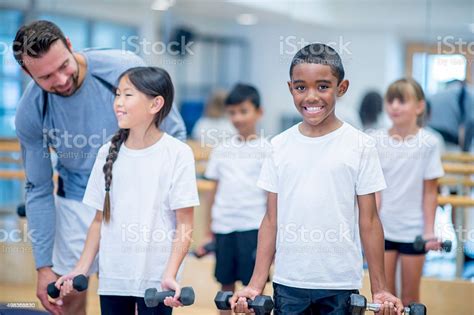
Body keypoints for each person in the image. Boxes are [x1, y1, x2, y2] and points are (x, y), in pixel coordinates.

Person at [13, 20, 186, 314]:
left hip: (135, 202)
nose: (61, 79)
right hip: (75, 203)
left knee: (138, 298)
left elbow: (174, 134)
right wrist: (43, 266)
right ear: (27, 73)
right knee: (69, 296)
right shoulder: (31, 111)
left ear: (69, 44)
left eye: (63, 66)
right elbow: (38, 188)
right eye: (46, 76)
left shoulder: (122, 69)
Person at [231, 43, 404, 314]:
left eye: (323, 86)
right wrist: (256, 283)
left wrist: (379, 288)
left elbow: (369, 221)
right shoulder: (278, 145)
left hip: (340, 283)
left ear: (341, 88)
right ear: (291, 88)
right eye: (301, 87)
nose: (311, 96)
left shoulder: (361, 145)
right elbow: (271, 220)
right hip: (288, 282)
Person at [54, 67, 199, 314]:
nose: (118, 103)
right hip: (114, 277)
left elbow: (184, 224)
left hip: (156, 281)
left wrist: (170, 273)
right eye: (117, 94)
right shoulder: (106, 152)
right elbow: (99, 221)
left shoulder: (178, 153)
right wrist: (81, 267)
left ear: (155, 104)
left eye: (128, 95)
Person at [196, 83, 269, 315]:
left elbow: (272, 198)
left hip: (254, 228)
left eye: (244, 111)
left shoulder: (268, 149)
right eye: (233, 112)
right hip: (224, 227)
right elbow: (212, 193)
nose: (237, 117)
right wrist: (209, 230)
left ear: (259, 112)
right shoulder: (221, 150)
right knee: (225, 289)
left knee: (254, 291)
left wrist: (273, 237)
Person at [372, 78, 444, 305]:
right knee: (385, 299)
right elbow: (374, 192)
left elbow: (430, 192)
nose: (394, 106)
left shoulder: (430, 142)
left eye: (401, 101)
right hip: (382, 230)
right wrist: (367, 228)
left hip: (413, 231)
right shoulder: (375, 140)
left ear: (419, 106)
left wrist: (429, 232)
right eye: (390, 100)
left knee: (411, 297)